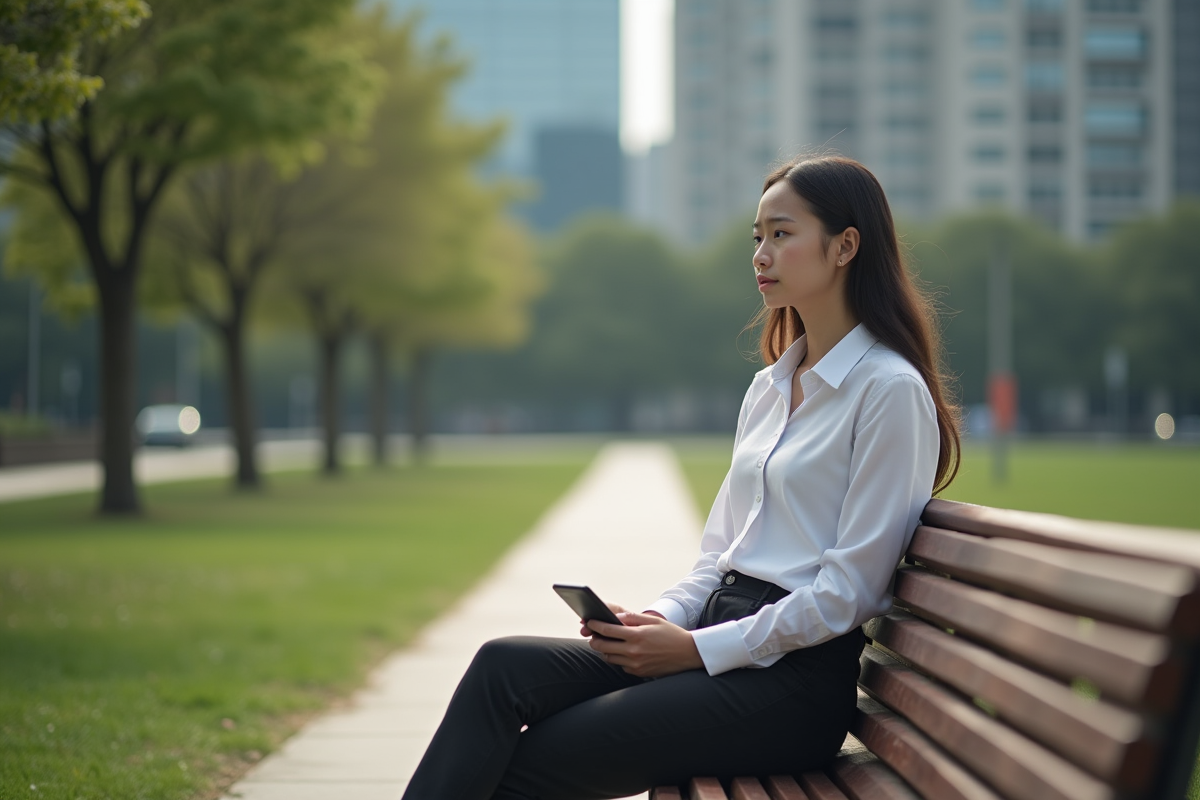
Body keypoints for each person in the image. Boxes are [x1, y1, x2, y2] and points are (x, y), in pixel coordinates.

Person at [400, 155, 961, 800]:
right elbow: (719, 555)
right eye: (758, 237)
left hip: (790, 686)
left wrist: (694, 652)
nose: (761, 253)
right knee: (502, 667)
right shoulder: (771, 387)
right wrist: (653, 624)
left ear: (845, 246)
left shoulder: (888, 390)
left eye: (782, 234)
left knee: (538, 756)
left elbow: (848, 595)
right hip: (719, 639)